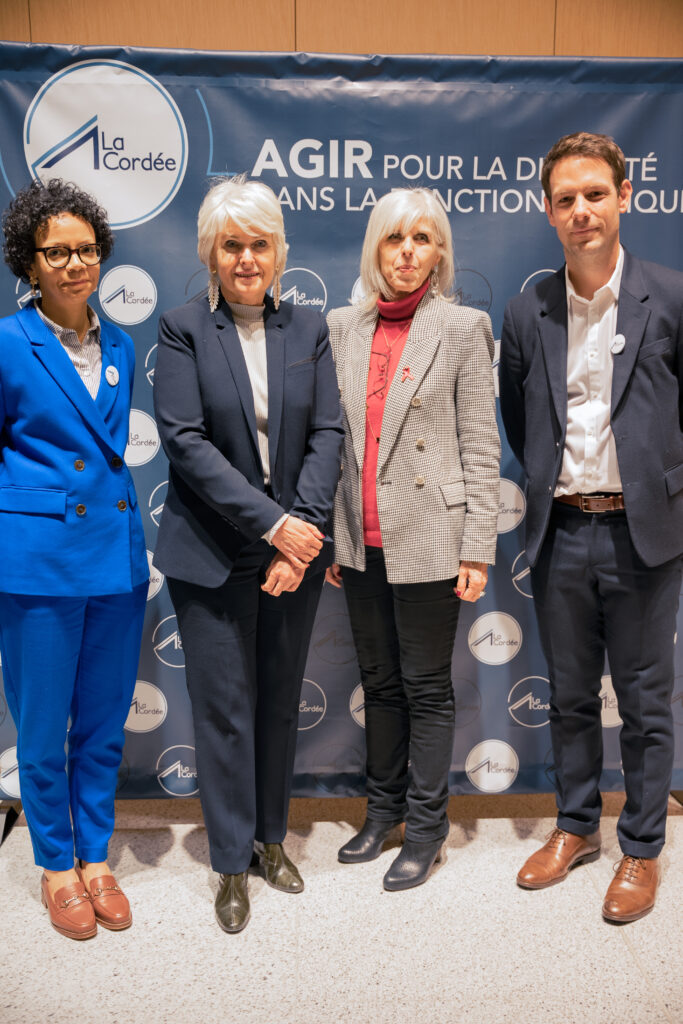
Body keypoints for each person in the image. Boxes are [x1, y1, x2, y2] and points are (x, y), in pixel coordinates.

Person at [500, 131, 683, 923]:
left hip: (642, 534)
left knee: (644, 703)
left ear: (624, 198)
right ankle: (574, 827)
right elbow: (517, 416)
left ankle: (640, 849)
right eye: (565, 199)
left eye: (595, 194)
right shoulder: (526, 307)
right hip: (560, 532)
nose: (581, 211)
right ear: (547, 213)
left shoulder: (670, 297)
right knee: (570, 697)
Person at [153, 175, 343, 933]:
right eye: (231, 244)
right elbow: (185, 442)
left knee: (275, 700)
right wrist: (276, 526)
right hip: (209, 554)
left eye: (258, 243)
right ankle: (230, 863)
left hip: (290, 554)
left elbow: (329, 433)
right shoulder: (179, 329)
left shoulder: (309, 329)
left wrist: (300, 534)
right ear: (209, 252)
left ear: (278, 252)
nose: (245, 258)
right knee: (225, 712)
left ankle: (270, 839)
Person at [326, 188, 500, 890]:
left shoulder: (461, 327)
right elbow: (335, 443)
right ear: (374, 246)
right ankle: (381, 811)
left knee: (426, 687)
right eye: (395, 238)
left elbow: (481, 447)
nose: (407, 252)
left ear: (439, 252)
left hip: (433, 532)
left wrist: (476, 547)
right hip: (360, 537)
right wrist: (336, 535)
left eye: (422, 239)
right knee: (379, 684)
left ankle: (425, 829)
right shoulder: (340, 325)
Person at [0, 178, 148, 939]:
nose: (73, 263)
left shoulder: (120, 341)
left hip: (115, 561)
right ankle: (57, 867)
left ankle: (96, 856)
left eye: (85, 250)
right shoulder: (6, 342)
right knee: (43, 723)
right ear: (29, 261)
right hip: (38, 562)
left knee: (101, 724)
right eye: (55, 251)